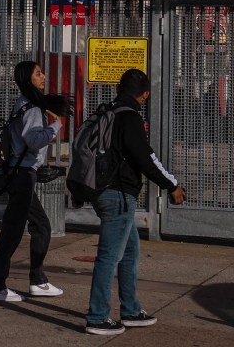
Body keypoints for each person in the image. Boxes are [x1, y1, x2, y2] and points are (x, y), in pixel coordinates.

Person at [85, 68, 187, 335]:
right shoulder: (129, 118)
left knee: (129, 251)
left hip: (101, 190)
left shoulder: (105, 112)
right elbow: (146, 158)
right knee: (109, 256)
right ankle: (97, 316)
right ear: (145, 95)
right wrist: (172, 184)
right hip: (118, 194)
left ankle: (130, 310)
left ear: (118, 89)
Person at [0, 60, 71, 302]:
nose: (43, 77)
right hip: (22, 175)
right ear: (27, 79)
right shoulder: (31, 108)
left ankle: (37, 281)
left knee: (38, 227)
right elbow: (34, 141)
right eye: (38, 74)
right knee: (15, 231)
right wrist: (56, 126)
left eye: (42, 73)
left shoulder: (26, 104)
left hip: (22, 173)